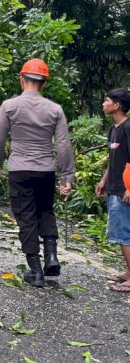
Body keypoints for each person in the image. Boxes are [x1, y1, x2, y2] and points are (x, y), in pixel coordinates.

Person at [0, 58, 74, 287]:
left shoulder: (9, 106)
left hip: (19, 170)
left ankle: (36, 271)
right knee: (46, 211)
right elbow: (64, 145)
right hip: (46, 170)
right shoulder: (55, 109)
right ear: (44, 83)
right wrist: (67, 177)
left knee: (26, 217)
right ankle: (52, 256)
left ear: (22, 79)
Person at [96, 88, 130, 292]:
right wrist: (103, 181)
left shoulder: (128, 127)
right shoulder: (114, 129)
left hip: (123, 190)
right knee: (121, 233)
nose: (103, 103)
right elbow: (113, 159)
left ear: (117, 105)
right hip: (114, 187)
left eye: (107, 100)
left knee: (124, 233)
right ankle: (127, 272)